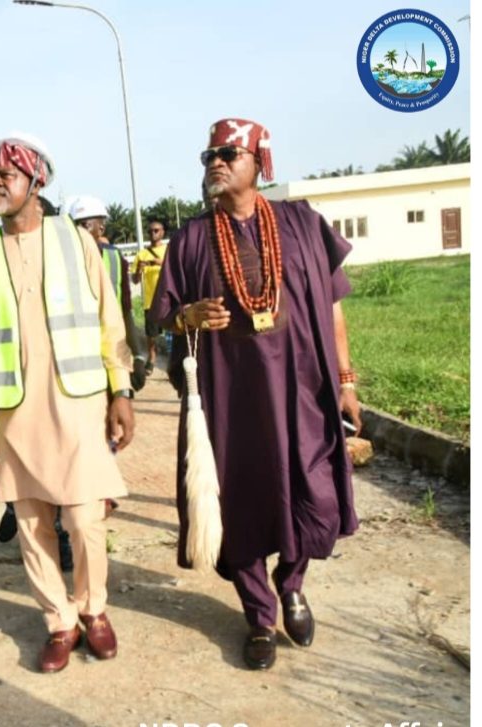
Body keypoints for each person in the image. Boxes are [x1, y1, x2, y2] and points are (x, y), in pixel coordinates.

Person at [151, 118, 361, 670]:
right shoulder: (192, 237)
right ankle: (259, 615)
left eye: (227, 154)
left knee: (309, 488)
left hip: (302, 391)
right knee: (239, 501)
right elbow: (163, 319)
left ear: (259, 164)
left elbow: (335, 305)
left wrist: (345, 380)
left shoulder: (301, 222)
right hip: (230, 401)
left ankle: (292, 582)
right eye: (207, 156)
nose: (214, 164)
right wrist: (187, 315)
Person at [0, 132, 135, 673]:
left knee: (84, 520)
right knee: (32, 525)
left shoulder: (75, 240)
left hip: (79, 406)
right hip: (15, 415)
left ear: (36, 183)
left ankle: (93, 610)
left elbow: (109, 318)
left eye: (6, 176)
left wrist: (121, 390)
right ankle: (59, 621)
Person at [68, 195, 147, 391]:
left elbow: (126, 311)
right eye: (75, 225)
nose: (78, 231)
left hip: (113, 357)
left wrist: (137, 356)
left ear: (100, 228)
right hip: (78, 362)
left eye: (85, 225)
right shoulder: (63, 261)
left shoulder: (114, 259)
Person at [133, 218, 170, 370]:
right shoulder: (141, 254)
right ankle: (152, 357)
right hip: (150, 300)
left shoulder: (169, 250)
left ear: (162, 232)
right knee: (151, 334)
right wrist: (139, 269)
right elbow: (135, 280)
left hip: (168, 298)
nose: (153, 234)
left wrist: (160, 262)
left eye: (156, 230)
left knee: (173, 329)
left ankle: (174, 358)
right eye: (150, 231)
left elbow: (175, 268)